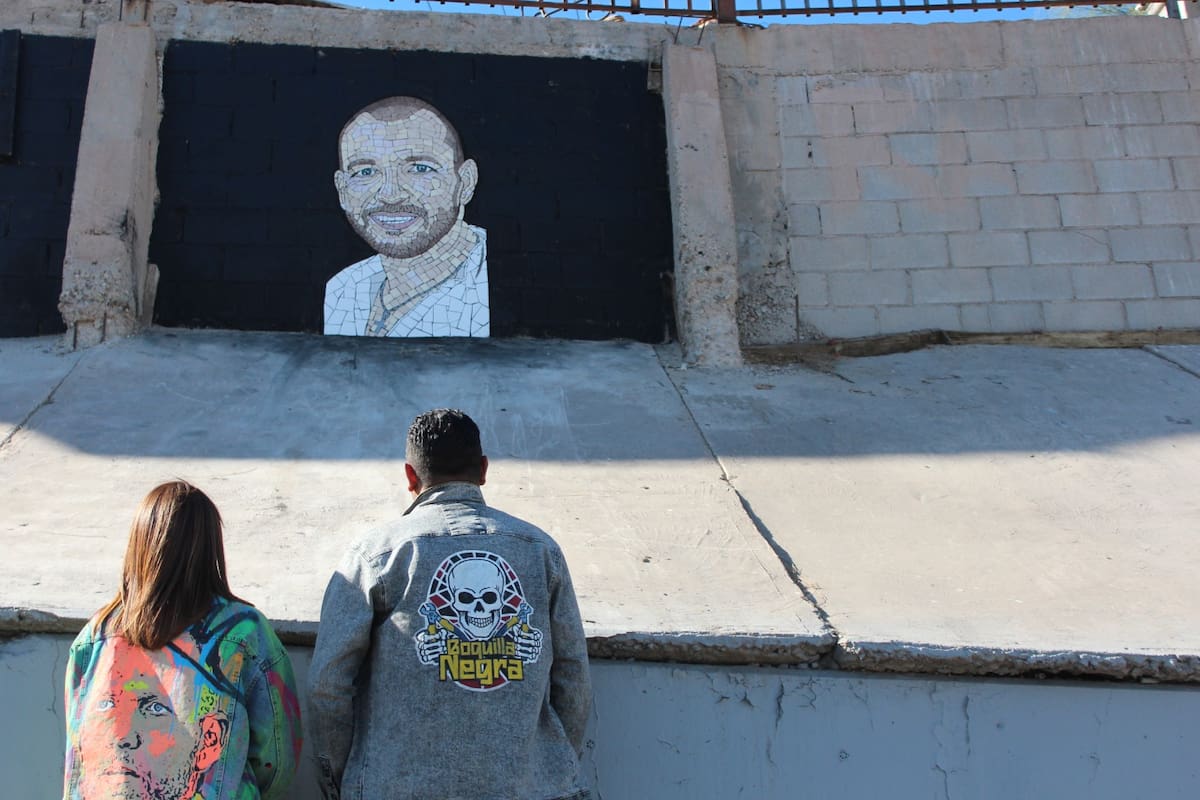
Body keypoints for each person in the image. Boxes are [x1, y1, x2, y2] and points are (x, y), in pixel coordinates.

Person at [308, 408, 592, 800]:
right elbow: (573, 677)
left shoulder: (377, 555)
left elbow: (328, 684)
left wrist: (343, 777)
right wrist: (551, 768)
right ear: (484, 469)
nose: (479, 610)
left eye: (489, 600)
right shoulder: (542, 553)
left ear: (410, 476)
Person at [63, 481, 303, 800]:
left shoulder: (94, 638)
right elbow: (276, 757)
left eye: (153, 709)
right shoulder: (243, 632)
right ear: (209, 549)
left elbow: (77, 752)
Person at [324, 97, 489, 339]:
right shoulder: (343, 287)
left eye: (420, 169)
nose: (391, 195)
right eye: (365, 172)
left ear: (465, 183)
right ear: (343, 190)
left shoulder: (484, 286)